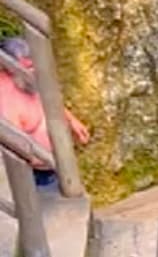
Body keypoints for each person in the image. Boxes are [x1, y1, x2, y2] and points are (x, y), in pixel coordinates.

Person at [0, 36, 90, 187]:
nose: (32, 67)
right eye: (27, 65)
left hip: (55, 166)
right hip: (34, 178)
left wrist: (71, 120)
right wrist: (48, 160)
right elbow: (14, 151)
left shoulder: (27, 79)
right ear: (9, 67)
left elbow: (46, 99)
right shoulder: (6, 97)